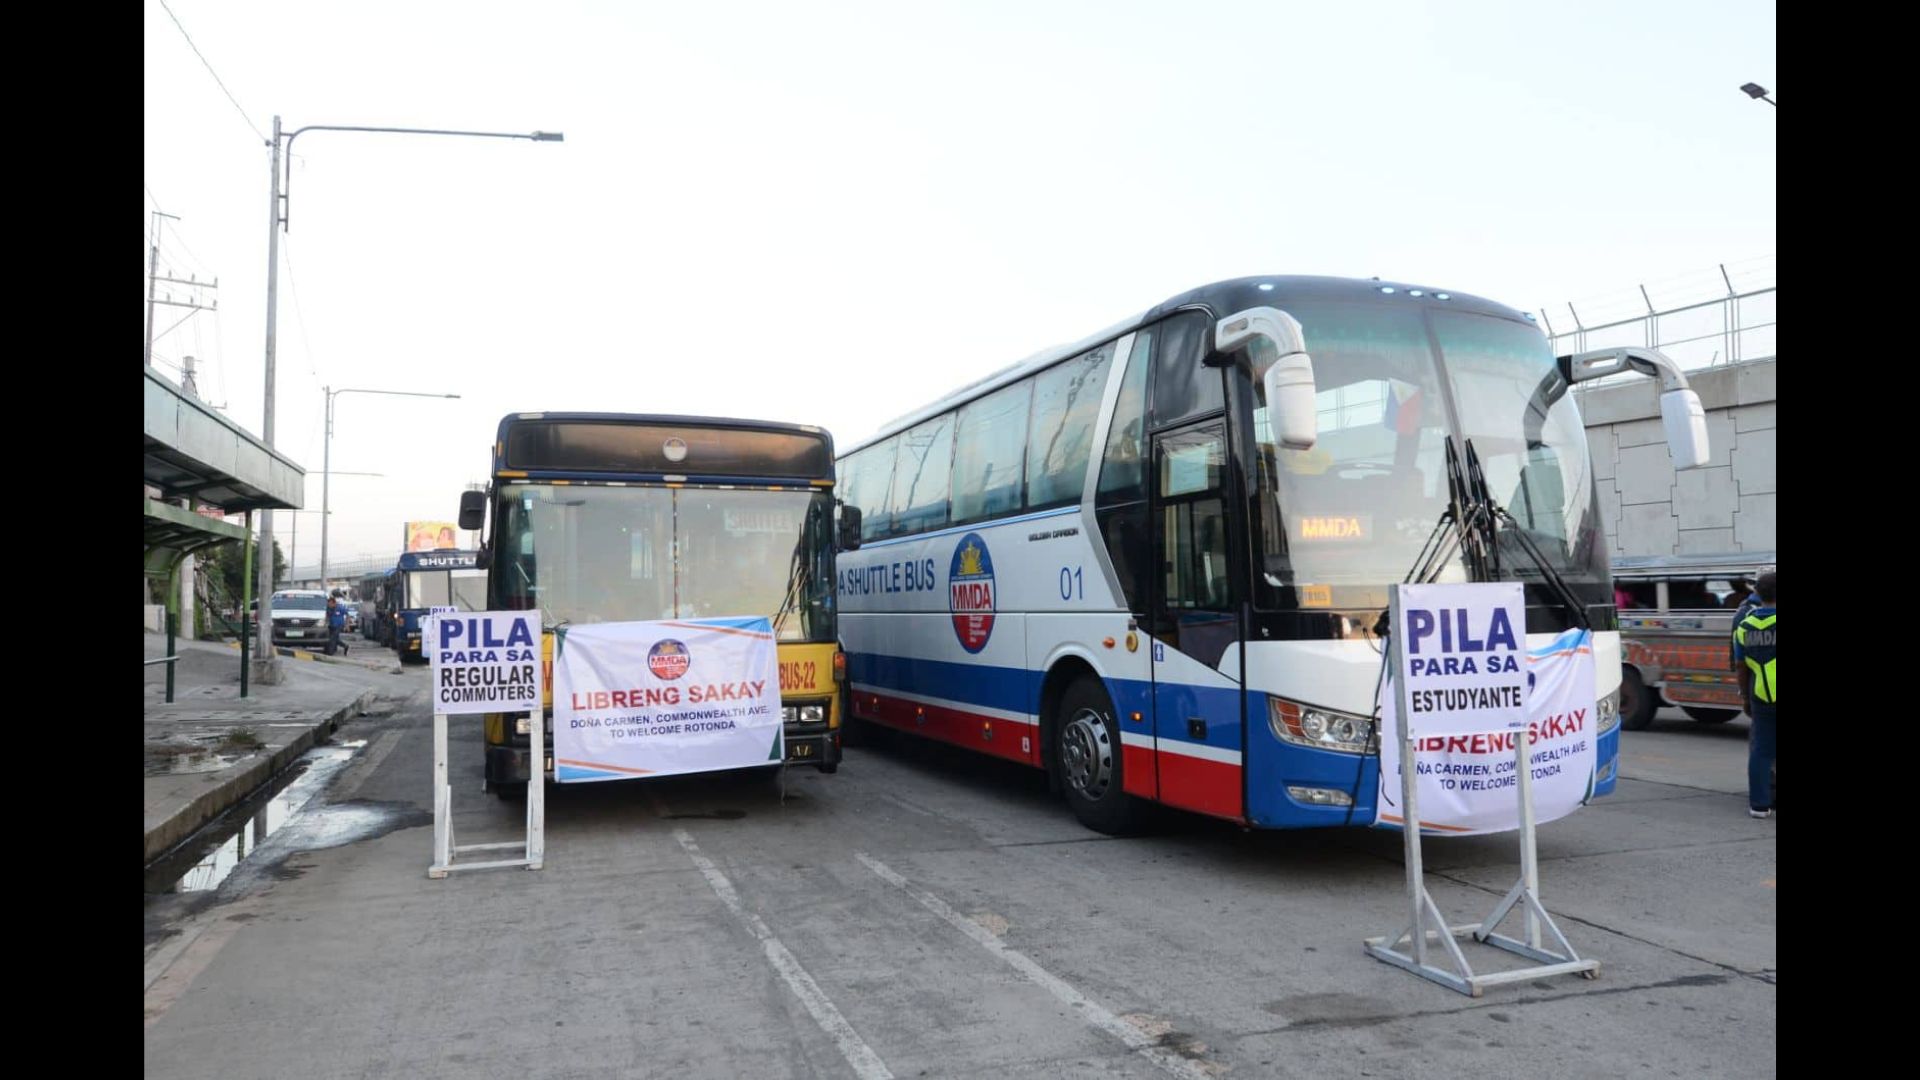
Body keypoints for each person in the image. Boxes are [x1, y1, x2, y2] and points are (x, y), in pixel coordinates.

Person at [1731, 569, 1776, 818]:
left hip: (1760, 695)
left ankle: (1759, 805)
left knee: (1761, 750)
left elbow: (1741, 667)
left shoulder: (1745, 626)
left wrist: (1746, 698)